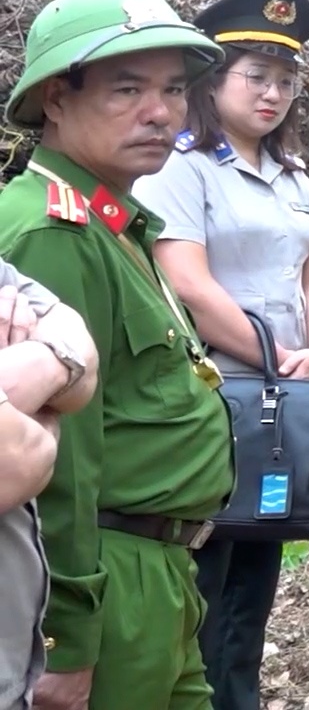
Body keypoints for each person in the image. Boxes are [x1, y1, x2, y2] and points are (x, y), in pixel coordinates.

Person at [0, 0, 235, 710]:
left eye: (172, 89)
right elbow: (56, 454)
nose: (160, 112)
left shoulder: (114, 222)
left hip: (163, 572)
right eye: (126, 88)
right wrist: (64, 638)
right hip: (105, 576)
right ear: (55, 101)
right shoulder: (50, 232)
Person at [133, 0, 309, 710]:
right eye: (256, 76)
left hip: (285, 395)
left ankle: (240, 693)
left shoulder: (291, 170)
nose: (273, 93)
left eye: (286, 80)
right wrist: (273, 356)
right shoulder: (181, 165)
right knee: (207, 569)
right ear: (213, 79)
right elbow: (187, 280)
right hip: (216, 393)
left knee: (260, 557)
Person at [0, 265, 98, 710]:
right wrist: (43, 424)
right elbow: (19, 460)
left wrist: (44, 358)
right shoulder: (42, 225)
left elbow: (85, 360)